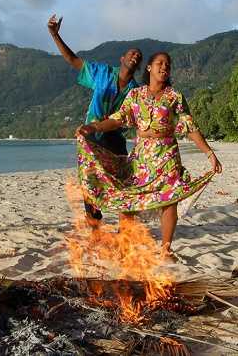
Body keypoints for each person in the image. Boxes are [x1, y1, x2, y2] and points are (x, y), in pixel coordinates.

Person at [76, 52, 222, 261]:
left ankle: (166, 249)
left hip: (167, 154)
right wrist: (93, 127)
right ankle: (125, 244)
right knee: (128, 199)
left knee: (170, 199)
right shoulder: (135, 95)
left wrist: (209, 153)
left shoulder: (175, 97)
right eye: (160, 63)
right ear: (149, 68)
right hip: (142, 156)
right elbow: (118, 119)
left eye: (167, 65)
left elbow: (189, 126)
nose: (164, 67)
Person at [47, 14, 143, 227]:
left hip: (114, 139)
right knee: (90, 181)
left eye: (138, 55)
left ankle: (125, 228)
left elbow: (139, 119)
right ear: (122, 59)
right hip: (91, 136)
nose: (135, 55)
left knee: (122, 180)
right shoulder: (102, 73)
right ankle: (94, 225)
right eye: (131, 52)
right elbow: (73, 60)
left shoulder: (136, 91)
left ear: (138, 65)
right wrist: (55, 35)